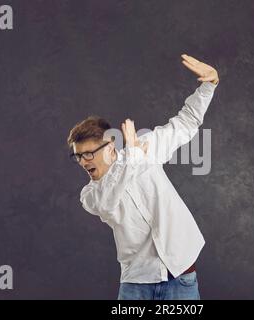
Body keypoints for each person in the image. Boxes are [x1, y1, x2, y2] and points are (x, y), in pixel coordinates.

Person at [67, 54, 219, 300]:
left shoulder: (144, 148)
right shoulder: (90, 195)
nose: (84, 162)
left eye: (89, 154)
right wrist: (133, 158)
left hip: (181, 278)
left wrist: (209, 84)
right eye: (78, 156)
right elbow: (108, 204)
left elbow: (185, 124)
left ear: (110, 146)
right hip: (136, 286)